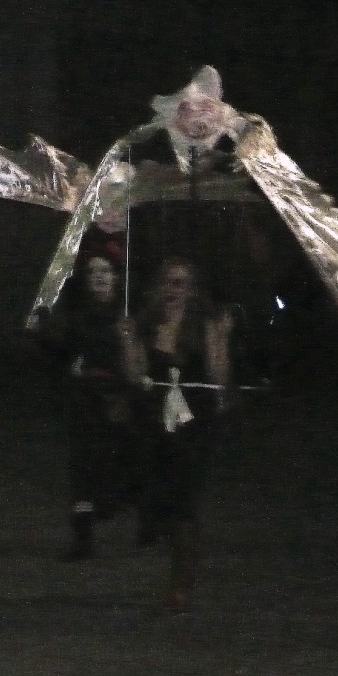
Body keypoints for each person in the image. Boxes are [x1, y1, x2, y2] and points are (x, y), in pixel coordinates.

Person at [129, 256, 234, 612]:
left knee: (184, 500)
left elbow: (219, 377)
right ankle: (164, 535)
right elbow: (137, 375)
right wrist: (127, 340)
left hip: (196, 423)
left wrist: (220, 337)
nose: (174, 290)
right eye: (168, 282)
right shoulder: (146, 323)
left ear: (192, 290)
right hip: (158, 421)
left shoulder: (205, 323)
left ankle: (181, 582)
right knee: (161, 495)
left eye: (181, 283)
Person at [53, 241, 142, 560]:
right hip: (84, 398)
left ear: (117, 276)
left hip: (116, 398)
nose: (99, 277)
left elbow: (135, 367)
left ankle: (114, 501)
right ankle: (83, 536)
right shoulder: (79, 315)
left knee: (114, 463)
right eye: (93, 272)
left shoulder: (126, 314)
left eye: (105, 271)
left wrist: (128, 339)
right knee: (82, 466)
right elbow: (64, 352)